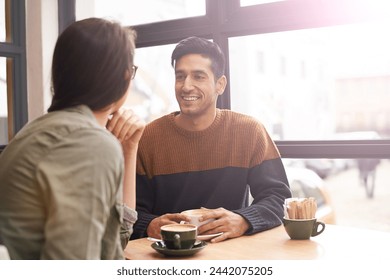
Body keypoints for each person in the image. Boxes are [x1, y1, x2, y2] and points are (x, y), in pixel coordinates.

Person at [0, 18, 145, 259]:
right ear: (124, 76)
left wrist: (129, 148)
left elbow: (114, 243)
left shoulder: (41, 130)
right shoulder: (86, 143)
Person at [132, 36, 291, 243]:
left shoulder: (249, 131)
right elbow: (129, 211)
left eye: (199, 76)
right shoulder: (148, 138)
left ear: (220, 84)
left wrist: (243, 220)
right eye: (180, 76)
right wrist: (150, 224)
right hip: (167, 257)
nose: (186, 86)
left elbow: (279, 198)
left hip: (231, 256)